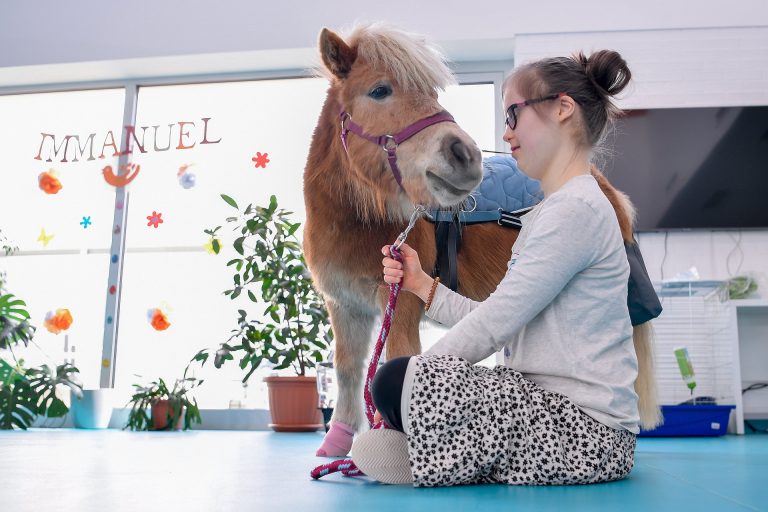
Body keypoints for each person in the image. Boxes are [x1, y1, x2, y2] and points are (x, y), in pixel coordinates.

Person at [349, 49, 641, 487]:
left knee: (395, 379)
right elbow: (501, 318)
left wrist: (416, 384)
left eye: (513, 116)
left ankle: (441, 453)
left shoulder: (576, 210)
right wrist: (421, 284)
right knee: (397, 392)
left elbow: (493, 325)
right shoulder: (550, 211)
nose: (506, 135)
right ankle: (447, 454)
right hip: (546, 412)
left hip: (583, 433)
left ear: (563, 109)